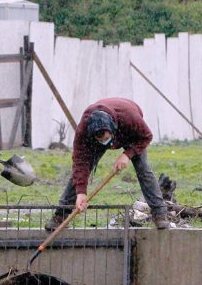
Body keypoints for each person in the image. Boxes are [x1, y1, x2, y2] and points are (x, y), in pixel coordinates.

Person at [45, 98, 170, 231]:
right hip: (101, 135)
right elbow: (80, 163)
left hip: (128, 132)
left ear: (111, 129)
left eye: (106, 138)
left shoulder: (129, 118)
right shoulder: (84, 132)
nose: (105, 143)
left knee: (144, 170)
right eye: (101, 140)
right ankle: (60, 215)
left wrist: (127, 155)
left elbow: (146, 136)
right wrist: (81, 192)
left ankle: (160, 214)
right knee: (79, 174)